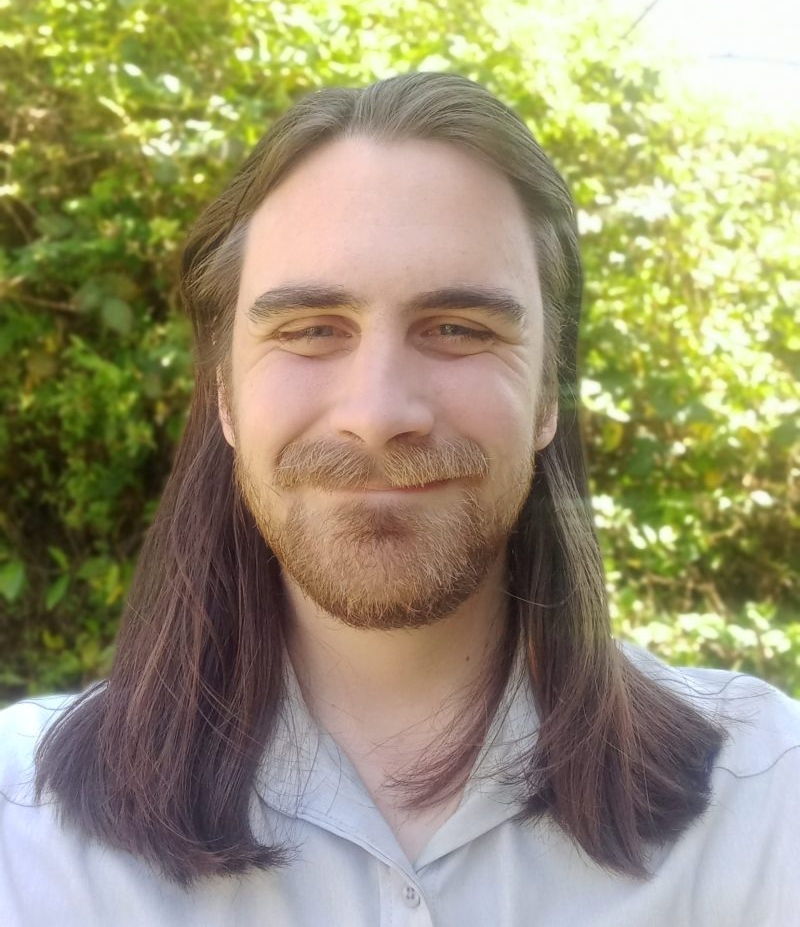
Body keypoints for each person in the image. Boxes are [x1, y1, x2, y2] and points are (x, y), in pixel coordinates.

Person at [1, 73, 798, 926]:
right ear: (226, 395)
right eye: (311, 330)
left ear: (547, 395)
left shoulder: (764, 802)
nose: (378, 413)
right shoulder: (26, 832)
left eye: (458, 329)